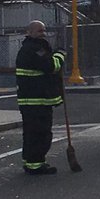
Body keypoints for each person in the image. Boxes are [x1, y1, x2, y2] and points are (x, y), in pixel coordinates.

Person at [15, 20, 65, 175]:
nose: (43, 33)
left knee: (32, 133)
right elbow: (51, 66)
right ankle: (35, 165)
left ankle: (31, 162)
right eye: (39, 31)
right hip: (36, 101)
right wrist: (60, 55)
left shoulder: (33, 47)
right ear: (29, 32)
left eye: (44, 30)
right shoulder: (35, 49)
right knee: (40, 134)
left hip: (34, 100)